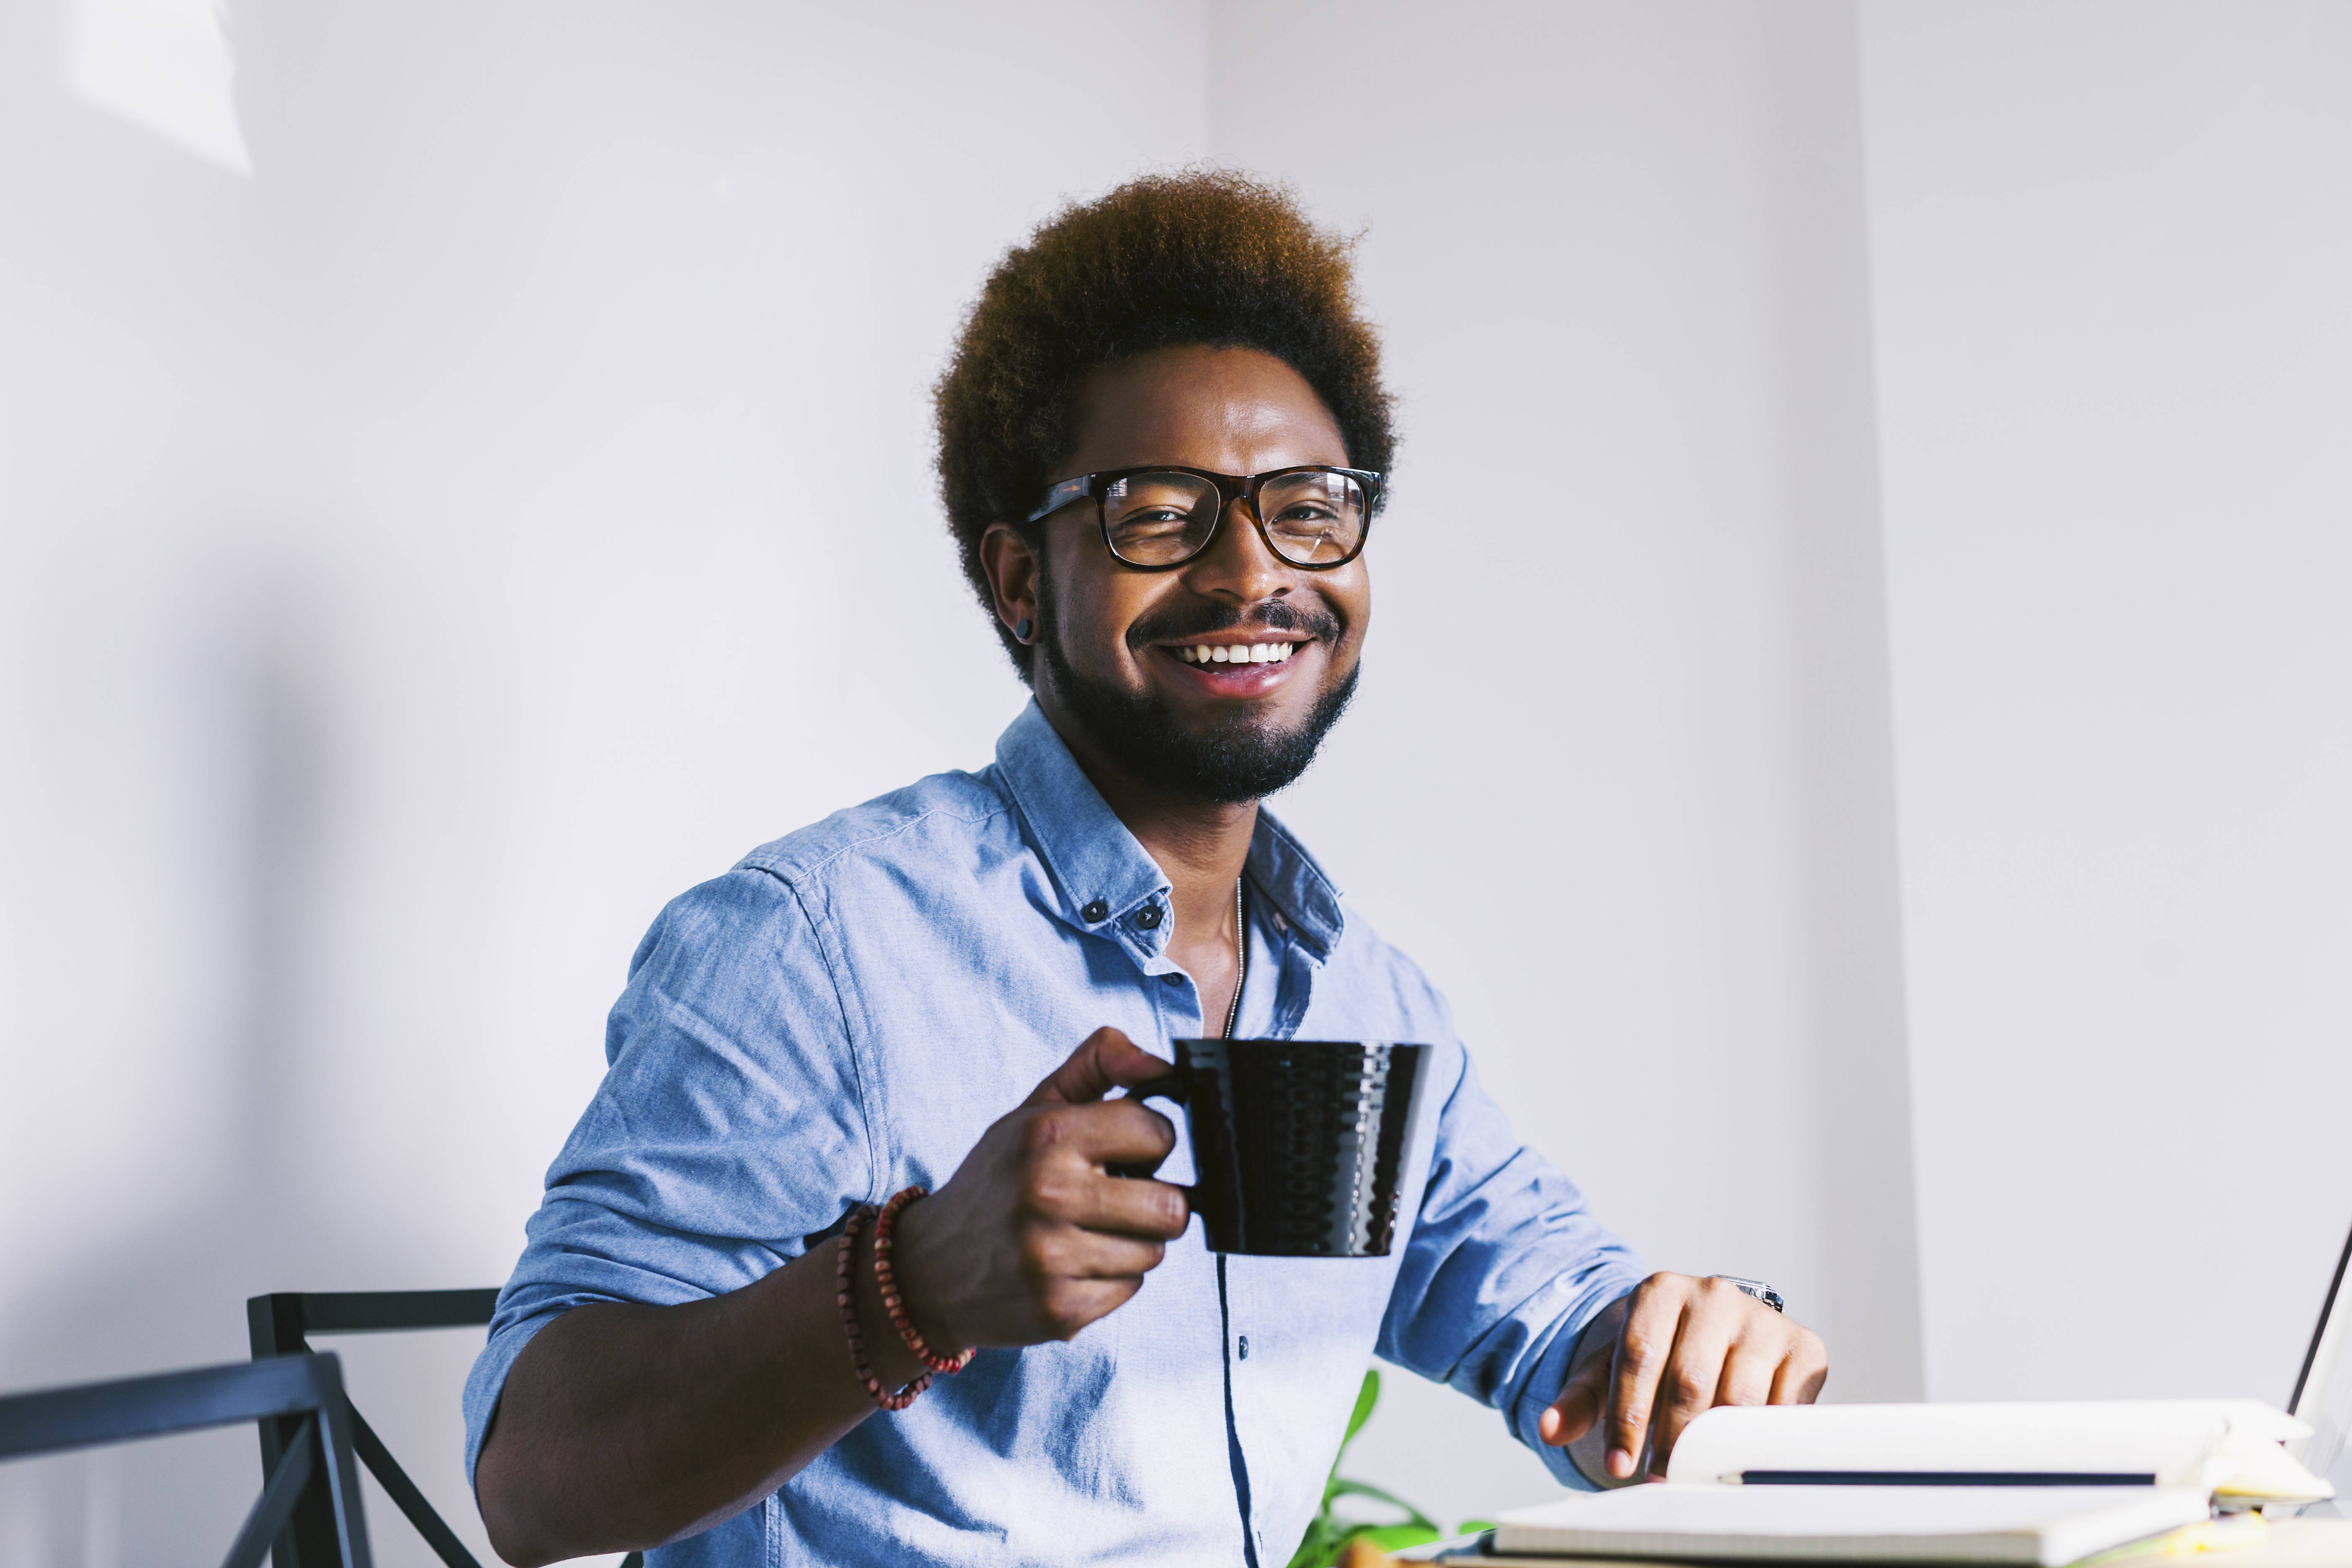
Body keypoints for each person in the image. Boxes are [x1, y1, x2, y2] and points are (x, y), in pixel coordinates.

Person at [465, 170, 1828, 1568]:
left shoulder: (1364, 997)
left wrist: (1689, 1346)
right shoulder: (815, 947)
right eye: (1161, 512)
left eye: (1309, 506)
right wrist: (912, 1288)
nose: (1253, 574)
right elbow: (533, 1480)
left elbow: (1569, 1333)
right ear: (1017, 581)